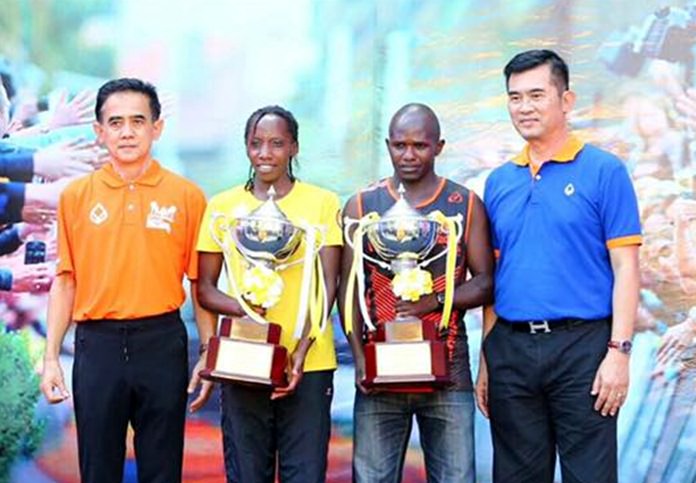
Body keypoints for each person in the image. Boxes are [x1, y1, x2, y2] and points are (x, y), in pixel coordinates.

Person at [39, 78, 216, 483]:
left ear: (158, 127)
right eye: (115, 122)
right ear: (99, 132)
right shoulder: (76, 197)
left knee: (162, 469)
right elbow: (65, 280)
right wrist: (51, 358)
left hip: (161, 343)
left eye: (138, 120)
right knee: (98, 470)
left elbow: (199, 284)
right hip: (96, 345)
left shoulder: (187, 196)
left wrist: (208, 351)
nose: (127, 131)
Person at [476, 49, 641, 483]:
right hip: (510, 349)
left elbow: (626, 268)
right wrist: (487, 360)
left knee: (589, 475)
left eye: (536, 95)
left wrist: (619, 353)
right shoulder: (498, 182)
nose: (524, 107)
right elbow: (495, 279)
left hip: (583, 349)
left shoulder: (605, 171)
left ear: (566, 100)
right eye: (514, 97)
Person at [341, 103, 494, 483]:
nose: (408, 155)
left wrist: (436, 301)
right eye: (399, 145)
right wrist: (360, 359)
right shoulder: (363, 205)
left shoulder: (464, 204)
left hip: (449, 371)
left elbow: (486, 282)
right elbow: (350, 292)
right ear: (388, 146)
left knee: (456, 479)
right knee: (372, 478)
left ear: (439, 147)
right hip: (379, 371)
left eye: (420, 146)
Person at [196, 105, 342, 483]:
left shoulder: (322, 203)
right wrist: (243, 308)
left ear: (294, 147)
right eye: (256, 143)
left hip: (308, 363)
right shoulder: (222, 207)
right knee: (246, 474)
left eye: (276, 143)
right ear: (246, 147)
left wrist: (302, 348)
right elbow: (206, 289)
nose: (265, 153)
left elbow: (331, 283)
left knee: (305, 474)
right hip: (242, 360)